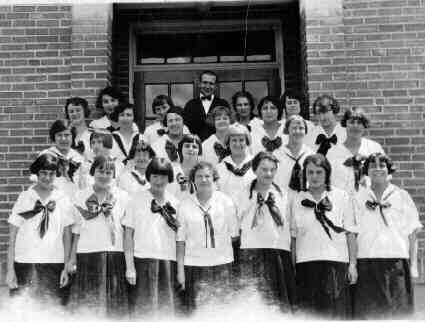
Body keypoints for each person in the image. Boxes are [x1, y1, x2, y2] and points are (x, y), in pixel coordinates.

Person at [353, 153, 422, 319]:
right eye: (372, 166)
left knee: (397, 314)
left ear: (389, 169)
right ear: (366, 171)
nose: (377, 169)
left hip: (396, 264)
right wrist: (353, 265)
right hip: (367, 263)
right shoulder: (358, 197)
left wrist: (413, 266)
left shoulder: (402, 196)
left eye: (382, 165)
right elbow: (352, 234)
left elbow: (412, 234)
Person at [289, 154, 358, 319]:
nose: (314, 177)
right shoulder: (297, 199)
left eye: (319, 172)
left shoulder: (341, 197)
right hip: (306, 265)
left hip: (335, 264)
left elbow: (350, 233)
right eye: (310, 172)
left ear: (327, 173)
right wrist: (293, 269)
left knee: (336, 314)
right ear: (305, 174)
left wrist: (353, 265)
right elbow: (293, 238)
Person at [6, 153, 74, 305]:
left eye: (51, 174)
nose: (47, 177)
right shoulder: (25, 197)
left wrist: (65, 267)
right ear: (37, 173)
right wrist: (10, 270)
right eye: (43, 173)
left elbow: (67, 235)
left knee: (53, 310)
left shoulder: (62, 198)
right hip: (26, 262)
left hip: (53, 262)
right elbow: (12, 236)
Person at [68, 155, 130, 317]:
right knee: (89, 305)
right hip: (87, 253)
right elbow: (76, 230)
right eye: (100, 171)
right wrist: (72, 259)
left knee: (113, 306)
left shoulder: (123, 196)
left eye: (109, 172)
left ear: (114, 175)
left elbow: (128, 230)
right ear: (93, 172)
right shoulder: (81, 195)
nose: (104, 175)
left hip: (114, 254)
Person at [235, 152, 296, 312]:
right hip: (252, 253)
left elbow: (290, 226)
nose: (268, 173)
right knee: (254, 301)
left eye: (272, 169)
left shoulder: (284, 195)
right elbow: (235, 226)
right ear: (254, 170)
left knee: (279, 302)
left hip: (278, 253)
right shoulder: (243, 194)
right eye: (263, 169)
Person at [176, 161, 239, 314]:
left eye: (207, 176)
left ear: (214, 178)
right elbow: (180, 242)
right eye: (199, 176)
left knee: (222, 311)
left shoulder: (226, 202)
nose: (203, 180)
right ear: (193, 180)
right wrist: (180, 272)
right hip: (194, 266)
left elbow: (234, 236)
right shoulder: (184, 204)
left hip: (222, 264)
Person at [123, 157, 179, 317]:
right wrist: (130, 267)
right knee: (142, 311)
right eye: (154, 176)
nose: (158, 181)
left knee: (165, 310)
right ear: (149, 177)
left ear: (169, 178)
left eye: (163, 176)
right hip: (143, 261)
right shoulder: (136, 200)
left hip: (168, 262)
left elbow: (180, 239)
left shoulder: (175, 203)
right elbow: (128, 235)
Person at [326, 107, 385, 193]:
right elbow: (328, 182)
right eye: (352, 122)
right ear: (345, 124)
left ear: (364, 125)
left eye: (359, 123)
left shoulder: (374, 148)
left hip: (369, 201)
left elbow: (385, 176)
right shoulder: (333, 152)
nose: (355, 126)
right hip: (342, 202)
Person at [39, 119, 84, 196]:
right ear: (54, 137)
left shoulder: (78, 158)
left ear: (72, 137)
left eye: (67, 135)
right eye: (59, 135)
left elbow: (82, 186)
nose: (63, 139)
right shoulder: (46, 155)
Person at [183, 71, 230, 141]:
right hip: (196, 147)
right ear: (199, 84)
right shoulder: (190, 104)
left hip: (219, 145)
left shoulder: (223, 104)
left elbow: (227, 126)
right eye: (205, 82)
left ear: (216, 86)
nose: (207, 86)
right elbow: (185, 128)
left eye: (211, 83)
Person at [274, 115, 314, 195]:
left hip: (304, 200)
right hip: (283, 199)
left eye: (301, 128)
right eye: (294, 128)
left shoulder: (311, 154)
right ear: (287, 130)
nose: (298, 131)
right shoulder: (277, 154)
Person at [216, 123, 256, 200]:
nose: (238, 144)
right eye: (234, 140)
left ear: (247, 142)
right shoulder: (220, 168)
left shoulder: (257, 165)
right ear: (228, 143)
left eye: (241, 140)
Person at [168, 134, 202, 200]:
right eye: (187, 146)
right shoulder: (173, 171)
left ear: (199, 151)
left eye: (194, 147)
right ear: (181, 148)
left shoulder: (204, 172)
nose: (190, 149)